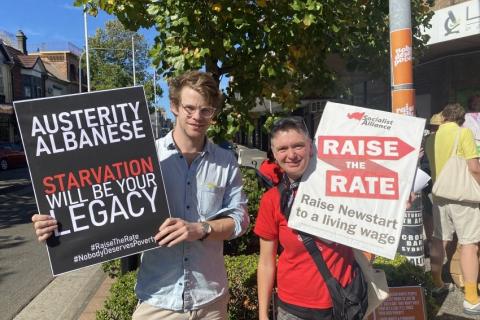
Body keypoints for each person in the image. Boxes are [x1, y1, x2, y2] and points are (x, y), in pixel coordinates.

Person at [32, 70, 250, 320]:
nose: (197, 117)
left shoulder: (225, 161)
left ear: (213, 113)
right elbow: (101, 205)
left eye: (206, 110)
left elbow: (240, 219)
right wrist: (58, 224)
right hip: (159, 297)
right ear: (174, 107)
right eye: (189, 108)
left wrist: (201, 229)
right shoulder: (145, 158)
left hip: (210, 299)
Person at [254, 117, 356, 320]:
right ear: (274, 154)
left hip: (344, 302)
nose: (291, 155)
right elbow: (266, 262)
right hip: (294, 310)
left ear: (310, 147)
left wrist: (398, 202)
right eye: (282, 149)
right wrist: (263, 314)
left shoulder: (344, 188)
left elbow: (377, 216)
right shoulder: (272, 200)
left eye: (298, 146)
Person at [425, 103, 480, 315]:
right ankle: (471, 298)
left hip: (439, 196)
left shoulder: (431, 139)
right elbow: (474, 168)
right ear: (461, 119)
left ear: (443, 118)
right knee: (469, 244)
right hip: (462, 197)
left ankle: (437, 283)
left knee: (439, 239)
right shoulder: (463, 133)